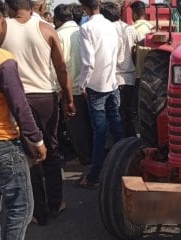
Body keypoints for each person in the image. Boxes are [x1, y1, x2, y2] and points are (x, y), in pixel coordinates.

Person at [2, 0, 76, 225]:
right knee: (51, 151)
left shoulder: (1, 29)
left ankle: (37, 210)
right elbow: (61, 68)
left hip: (16, 100)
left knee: (29, 154)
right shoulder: (46, 29)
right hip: (46, 98)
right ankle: (56, 203)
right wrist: (69, 99)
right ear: (31, 6)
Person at [0, 0, 47, 240]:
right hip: (0, 142)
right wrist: (36, 139)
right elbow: (19, 105)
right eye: (2, 23)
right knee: (20, 207)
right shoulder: (0, 58)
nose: (4, 28)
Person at [76, 0, 124, 189]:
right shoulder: (112, 26)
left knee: (100, 132)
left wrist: (83, 85)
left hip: (96, 86)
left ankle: (95, 175)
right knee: (116, 125)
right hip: (111, 82)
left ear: (85, 8)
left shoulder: (86, 28)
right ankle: (124, 165)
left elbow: (88, 62)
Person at [54, 3, 93, 166]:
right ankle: (90, 154)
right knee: (88, 124)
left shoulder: (57, 35)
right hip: (87, 86)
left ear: (56, 19)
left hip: (69, 89)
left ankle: (84, 157)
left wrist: (59, 90)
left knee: (75, 127)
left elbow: (58, 66)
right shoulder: (82, 31)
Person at [101, 1, 139, 137]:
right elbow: (138, 50)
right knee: (127, 113)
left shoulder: (107, 31)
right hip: (130, 77)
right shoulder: (130, 29)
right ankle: (131, 140)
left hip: (113, 78)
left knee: (113, 115)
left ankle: (119, 144)